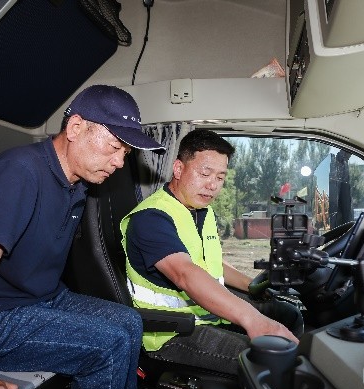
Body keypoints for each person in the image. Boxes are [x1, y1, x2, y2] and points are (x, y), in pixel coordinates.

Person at [0, 85, 164, 389]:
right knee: (108, 344)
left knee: (129, 323)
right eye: (115, 147)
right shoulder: (18, 172)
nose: (119, 162)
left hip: (43, 298)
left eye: (125, 153)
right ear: (76, 128)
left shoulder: (78, 183)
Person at [121, 129, 304, 375]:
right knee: (272, 362)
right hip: (171, 333)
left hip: (203, 315)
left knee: (287, 313)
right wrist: (252, 319)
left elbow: (210, 263)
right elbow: (185, 273)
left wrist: (252, 285)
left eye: (220, 177)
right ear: (178, 169)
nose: (212, 185)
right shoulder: (151, 219)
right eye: (205, 173)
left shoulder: (198, 211)